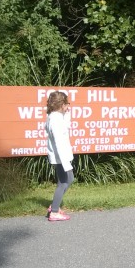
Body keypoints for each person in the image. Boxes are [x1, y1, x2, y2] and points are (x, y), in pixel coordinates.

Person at [45, 91, 74, 221]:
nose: (68, 106)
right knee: (63, 182)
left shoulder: (56, 116)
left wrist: (67, 114)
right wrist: (65, 162)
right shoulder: (55, 119)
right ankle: (54, 211)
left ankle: (54, 205)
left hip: (62, 156)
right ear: (61, 104)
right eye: (67, 104)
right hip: (60, 157)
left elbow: (65, 128)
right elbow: (58, 141)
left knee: (70, 179)